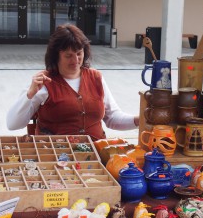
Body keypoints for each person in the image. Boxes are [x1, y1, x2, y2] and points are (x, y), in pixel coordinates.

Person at [7, 24, 139, 141]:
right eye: (68, 56)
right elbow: (13, 124)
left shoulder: (96, 77)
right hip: (55, 155)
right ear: (56, 56)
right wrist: (29, 95)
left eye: (79, 53)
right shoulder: (43, 82)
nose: (75, 60)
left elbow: (112, 118)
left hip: (96, 153)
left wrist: (139, 120)